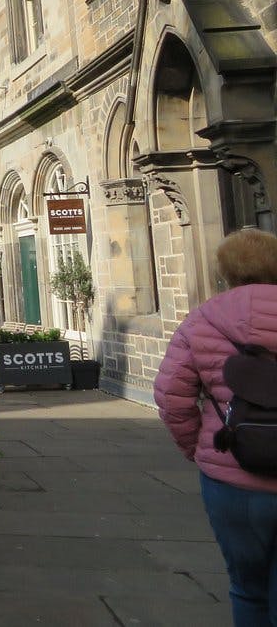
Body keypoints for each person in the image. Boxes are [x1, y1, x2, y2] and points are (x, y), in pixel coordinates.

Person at [155, 228, 277, 625]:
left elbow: (171, 395)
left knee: (247, 588)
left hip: (231, 476)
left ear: (225, 272)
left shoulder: (201, 320)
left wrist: (198, 447)